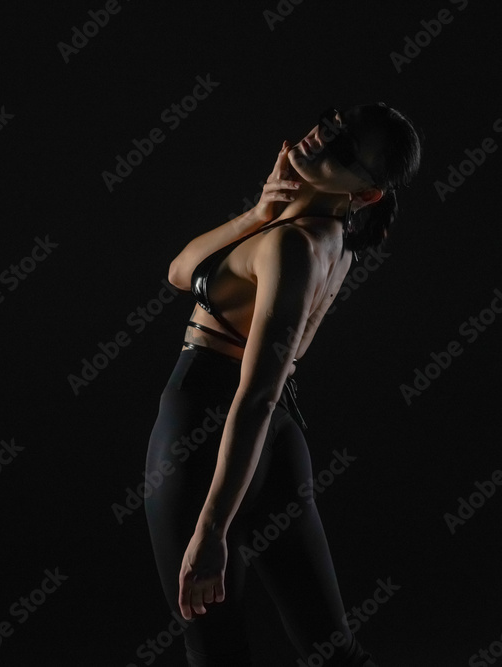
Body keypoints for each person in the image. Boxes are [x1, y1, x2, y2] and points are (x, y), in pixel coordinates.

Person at [144, 103, 421, 666]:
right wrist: (258, 211)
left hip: (207, 429)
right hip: (273, 442)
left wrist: (212, 529)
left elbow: (258, 393)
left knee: (216, 648)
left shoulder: (292, 246)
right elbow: (180, 273)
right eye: (336, 123)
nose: (323, 135)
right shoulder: (320, 232)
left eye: (344, 150)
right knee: (331, 647)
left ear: (366, 193)